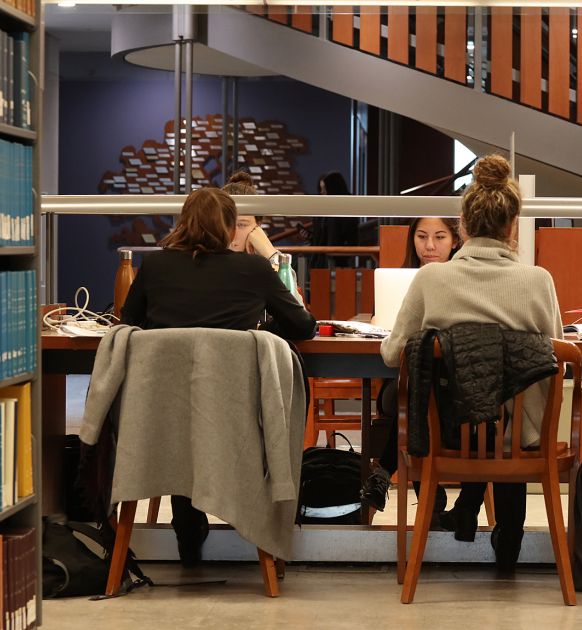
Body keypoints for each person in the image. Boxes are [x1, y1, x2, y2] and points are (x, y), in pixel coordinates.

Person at [378, 155, 561, 571]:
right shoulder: (538, 280)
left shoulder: (431, 279)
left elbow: (393, 354)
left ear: (462, 225)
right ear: (513, 226)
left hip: (449, 434)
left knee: (478, 411)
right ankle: (509, 538)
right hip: (518, 436)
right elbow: (554, 353)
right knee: (508, 407)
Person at [121, 186, 316, 566]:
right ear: (230, 229)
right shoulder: (253, 269)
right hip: (237, 420)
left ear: (183, 223)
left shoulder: (157, 267)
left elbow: (129, 325)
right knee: (211, 415)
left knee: (186, 419)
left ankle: (187, 522)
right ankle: (259, 532)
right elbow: (304, 326)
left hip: (162, 420)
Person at [360, 217, 463, 515]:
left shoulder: (466, 280)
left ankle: (385, 472)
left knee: (413, 396)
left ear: (455, 240)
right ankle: (427, 493)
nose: (429, 246)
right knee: (414, 391)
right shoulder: (401, 280)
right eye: (422, 237)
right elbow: (393, 348)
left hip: (448, 388)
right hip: (407, 381)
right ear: (412, 240)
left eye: (440, 237)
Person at [309, 171, 360, 268]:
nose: (322, 192)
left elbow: (346, 238)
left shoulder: (345, 209)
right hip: (324, 260)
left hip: (337, 262)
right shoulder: (323, 212)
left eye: (324, 189)